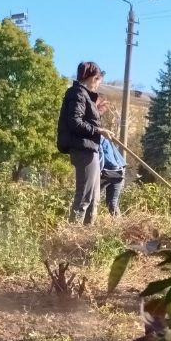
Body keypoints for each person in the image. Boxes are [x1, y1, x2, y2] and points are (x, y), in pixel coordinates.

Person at [56, 61, 109, 223]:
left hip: (90, 148)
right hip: (83, 148)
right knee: (84, 196)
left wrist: (97, 110)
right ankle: (73, 236)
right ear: (93, 77)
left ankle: (87, 236)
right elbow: (75, 121)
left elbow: (83, 117)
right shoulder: (78, 93)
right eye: (99, 79)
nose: (100, 83)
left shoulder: (83, 95)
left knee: (94, 197)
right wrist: (98, 130)